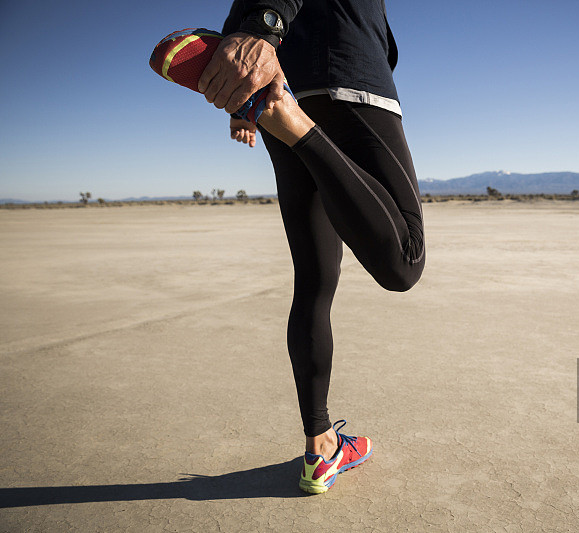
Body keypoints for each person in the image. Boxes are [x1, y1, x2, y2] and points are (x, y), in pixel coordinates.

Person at [151, 0, 425, 493]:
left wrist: (243, 95)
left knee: (315, 283)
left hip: (280, 82)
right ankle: (289, 118)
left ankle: (320, 448)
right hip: (348, 78)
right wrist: (265, 27)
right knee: (403, 261)